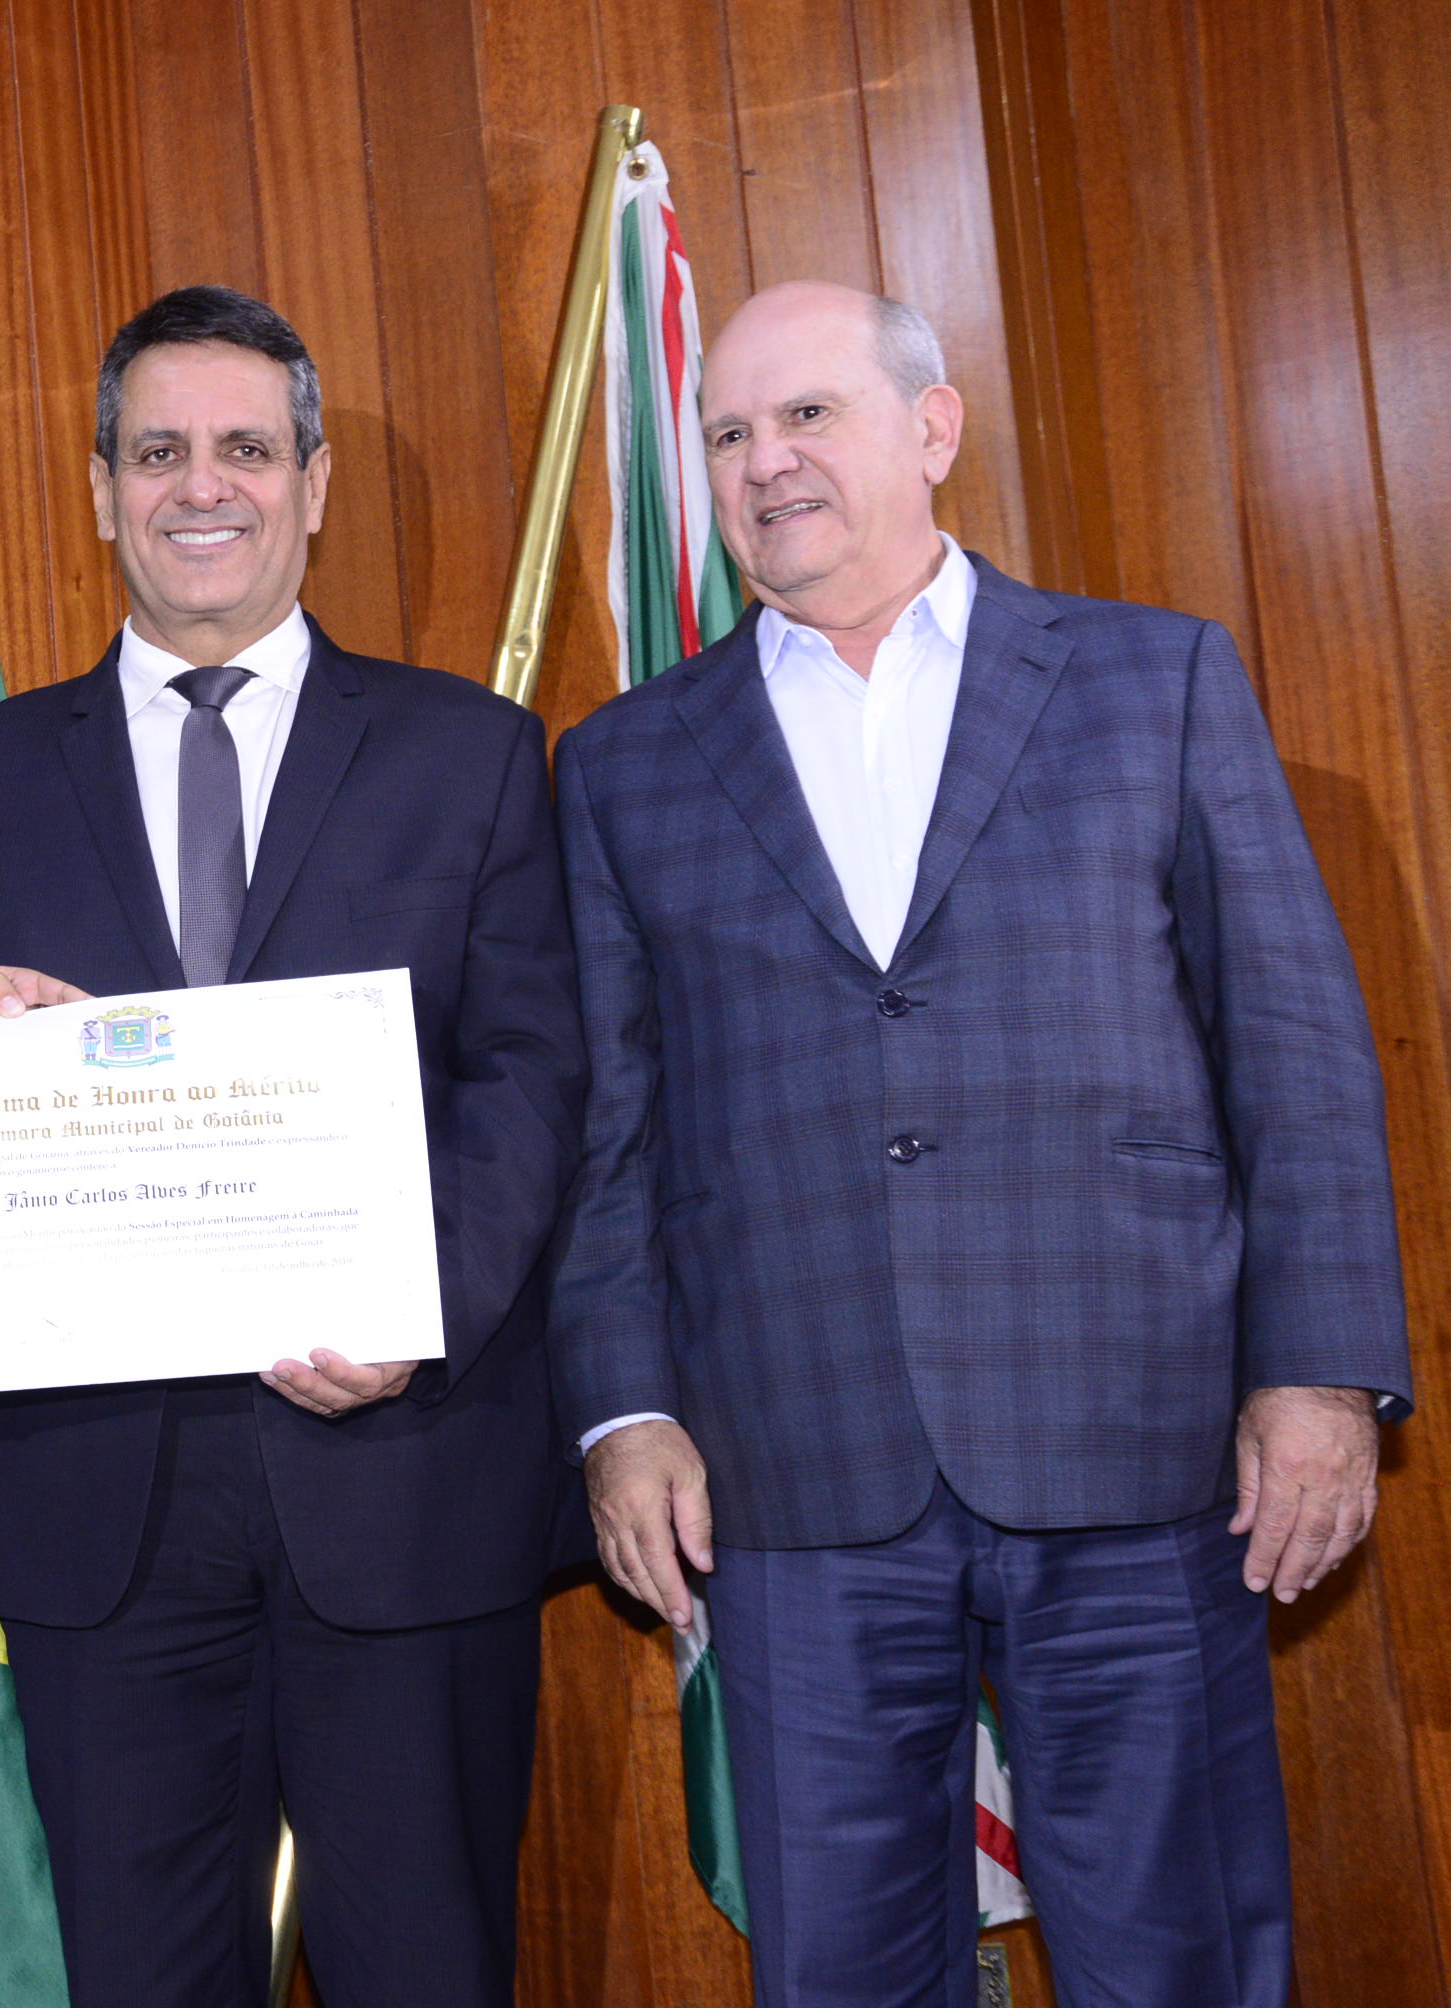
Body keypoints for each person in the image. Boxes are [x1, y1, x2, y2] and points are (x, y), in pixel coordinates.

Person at [552, 280, 1411, 2007]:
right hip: (793, 1471)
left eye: (810, 414)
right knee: (840, 1973)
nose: (765, 462)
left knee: (1176, 1956)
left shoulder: (1152, 677)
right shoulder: (625, 763)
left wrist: (1321, 1376)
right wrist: (626, 1414)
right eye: (729, 432)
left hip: (1141, 1448)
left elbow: (1298, 1052)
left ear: (932, 429)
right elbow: (611, 1132)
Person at [0, 285, 587, 2008]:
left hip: (401, 1469)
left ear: (313, 481)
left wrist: (413, 1312)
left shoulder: (471, 754)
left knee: (426, 1970)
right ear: (101, 489)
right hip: (98, 1498)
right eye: (158, 452)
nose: (202, 486)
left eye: (246, 450)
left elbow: (530, 1078)